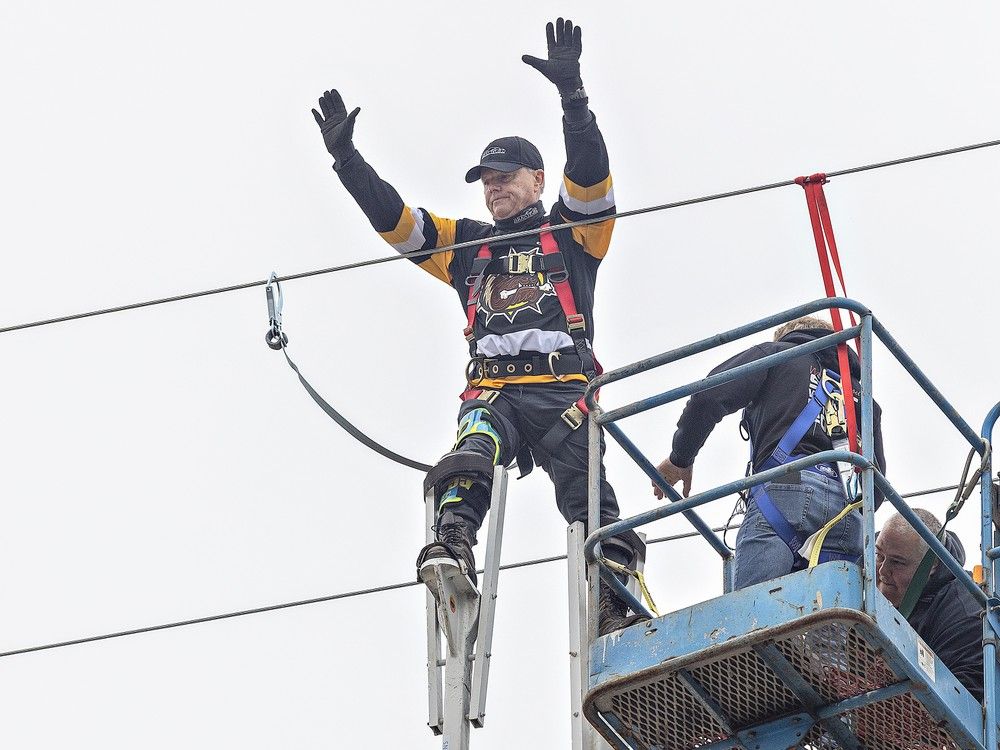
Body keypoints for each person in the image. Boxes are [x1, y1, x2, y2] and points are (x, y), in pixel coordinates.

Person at [312, 18, 642, 634]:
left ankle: (615, 606)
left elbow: (593, 178)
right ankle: (453, 545)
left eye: (506, 178)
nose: (494, 190)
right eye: (487, 181)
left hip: (566, 396)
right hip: (495, 395)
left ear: (537, 181)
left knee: (594, 502)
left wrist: (574, 98)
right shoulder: (467, 248)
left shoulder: (574, 234)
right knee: (471, 451)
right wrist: (348, 160)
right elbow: (398, 221)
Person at [654, 315, 886, 590]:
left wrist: (680, 457)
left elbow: (709, 396)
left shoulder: (778, 354)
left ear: (790, 336)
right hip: (848, 513)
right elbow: (877, 485)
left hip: (786, 488)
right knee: (826, 628)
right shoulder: (862, 395)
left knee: (757, 620)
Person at [876, 509, 984, 701]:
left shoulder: (964, 615)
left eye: (897, 562)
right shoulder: (866, 571)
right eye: (879, 556)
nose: (883, 571)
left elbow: (963, 701)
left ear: (932, 564)